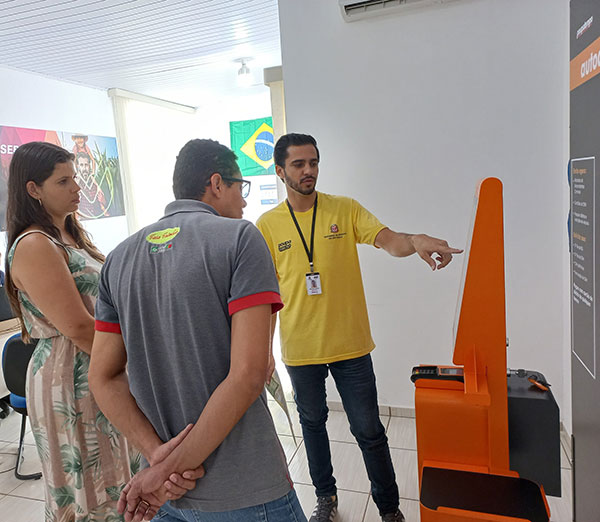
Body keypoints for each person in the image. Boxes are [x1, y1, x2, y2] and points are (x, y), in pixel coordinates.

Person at [89, 139, 306, 522]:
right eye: (242, 187)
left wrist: (157, 457)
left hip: (168, 498)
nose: (243, 202)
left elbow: (102, 377)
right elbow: (250, 374)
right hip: (244, 490)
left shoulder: (118, 259)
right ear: (217, 183)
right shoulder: (240, 239)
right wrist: (165, 471)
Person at [256, 133, 463, 522]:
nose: (309, 171)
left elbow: (388, 240)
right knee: (313, 428)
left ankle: (389, 509)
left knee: (369, 431)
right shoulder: (267, 225)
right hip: (301, 350)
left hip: (351, 346)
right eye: (299, 164)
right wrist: (264, 350)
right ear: (280, 171)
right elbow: (267, 296)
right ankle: (326, 498)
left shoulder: (344, 209)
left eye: (314, 162)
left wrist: (415, 239)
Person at [3, 141, 138, 519]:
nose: (77, 188)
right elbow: (78, 327)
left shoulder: (70, 236)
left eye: (74, 178)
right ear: (33, 189)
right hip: (72, 376)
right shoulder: (34, 244)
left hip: (99, 364)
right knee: (90, 489)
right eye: (63, 181)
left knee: (118, 475)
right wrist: (137, 359)